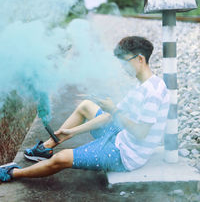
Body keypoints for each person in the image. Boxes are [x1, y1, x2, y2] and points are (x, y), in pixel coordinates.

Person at [0, 36, 169, 182]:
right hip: (121, 135)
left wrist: (115, 110)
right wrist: (72, 132)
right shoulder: (144, 85)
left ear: (140, 59)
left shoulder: (152, 93)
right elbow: (110, 117)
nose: (123, 67)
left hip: (127, 155)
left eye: (125, 61)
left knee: (62, 158)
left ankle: (13, 173)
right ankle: (47, 147)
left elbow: (141, 133)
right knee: (86, 106)